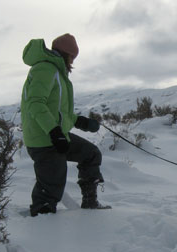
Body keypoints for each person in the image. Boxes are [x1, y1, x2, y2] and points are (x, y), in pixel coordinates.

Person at [20, 33, 111, 217]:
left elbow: (59, 112)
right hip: (44, 140)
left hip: (57, 136)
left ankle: (90, 202)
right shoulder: (45, 69)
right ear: (67, 54)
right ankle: (41, 224)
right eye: (73, 57)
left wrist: (80, 122)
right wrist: (54, 132)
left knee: (91, 154)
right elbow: (36, 103)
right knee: (51, 187)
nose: (73, 61)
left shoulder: (57, 73)